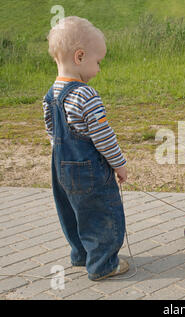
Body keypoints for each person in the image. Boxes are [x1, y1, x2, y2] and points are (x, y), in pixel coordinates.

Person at [42, 16, 129, 280]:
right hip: (89, 169)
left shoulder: (50, 95)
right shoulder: (86, 95)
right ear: (80, 56)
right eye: (98, 61)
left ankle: (81, 255)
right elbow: (103, 137)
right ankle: (103, 265)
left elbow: (52, 133)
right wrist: (119, 163)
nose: (99, 69)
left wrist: (63, 159)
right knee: (102, 212)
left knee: (72, 210)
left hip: (60, 168)